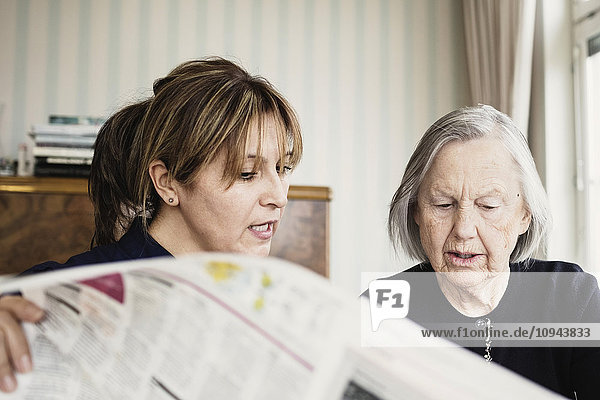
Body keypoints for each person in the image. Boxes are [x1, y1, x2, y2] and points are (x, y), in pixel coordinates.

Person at [0, 57, 303, 392]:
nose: (279, 196)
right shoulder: (49, 295)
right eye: (247, 173)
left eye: (283, 168)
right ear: (168, 182)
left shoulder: (269, 302)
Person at [385, 105, 600, 399]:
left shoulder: (571, 297)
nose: (463, 228)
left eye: (488, 206)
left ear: (525, 214)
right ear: (416, 212)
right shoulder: (381, 311)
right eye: (443, 204)